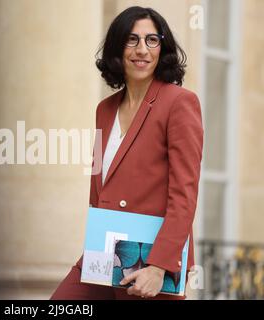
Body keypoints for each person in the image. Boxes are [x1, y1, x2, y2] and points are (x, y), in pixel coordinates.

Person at [51, 6, 204, 300]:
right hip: (103, 254)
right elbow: (100, 185)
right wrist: (95, 246)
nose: (142, 50)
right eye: (131, 40)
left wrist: (159, 266)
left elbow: (184, 193)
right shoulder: (104, 110)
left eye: (151, 40)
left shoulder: (180, 103)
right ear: (117, 48)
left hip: (151, 260)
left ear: (162, 47)